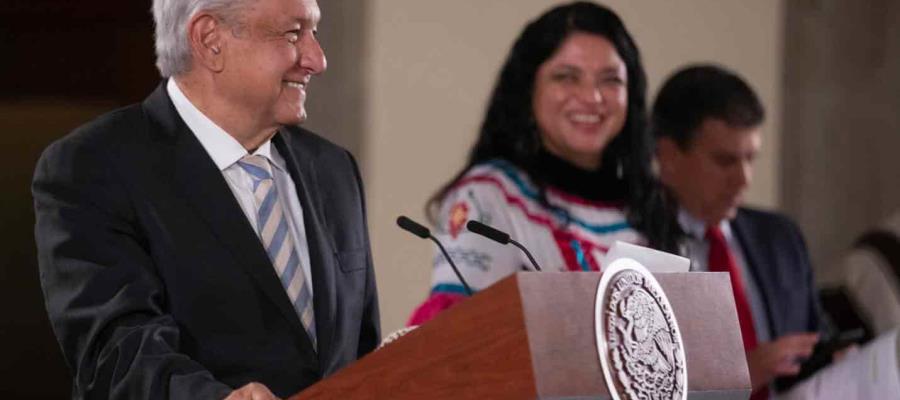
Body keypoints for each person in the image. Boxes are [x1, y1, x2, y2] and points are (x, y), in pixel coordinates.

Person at [31, 0, 380, 398]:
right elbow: (116, 352)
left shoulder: (334, 170)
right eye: (292, 33)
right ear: (209, 39)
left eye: (314, 32)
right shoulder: (92, 166)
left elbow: (361, 354)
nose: (317, 59)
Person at [408, 1, 678, 325]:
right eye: (567, 77)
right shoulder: (490, 198)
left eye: (610, 80)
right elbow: (458, 342)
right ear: (528, 90)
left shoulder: (651, 204)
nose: (592, 97)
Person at [653, 64, 822, 399]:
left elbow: (813, 342)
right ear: (669, 156)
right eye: (725, 161)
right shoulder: (632, 247)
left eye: (751, 159)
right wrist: (742, 372)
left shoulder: (781, 237)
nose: (744, 179)